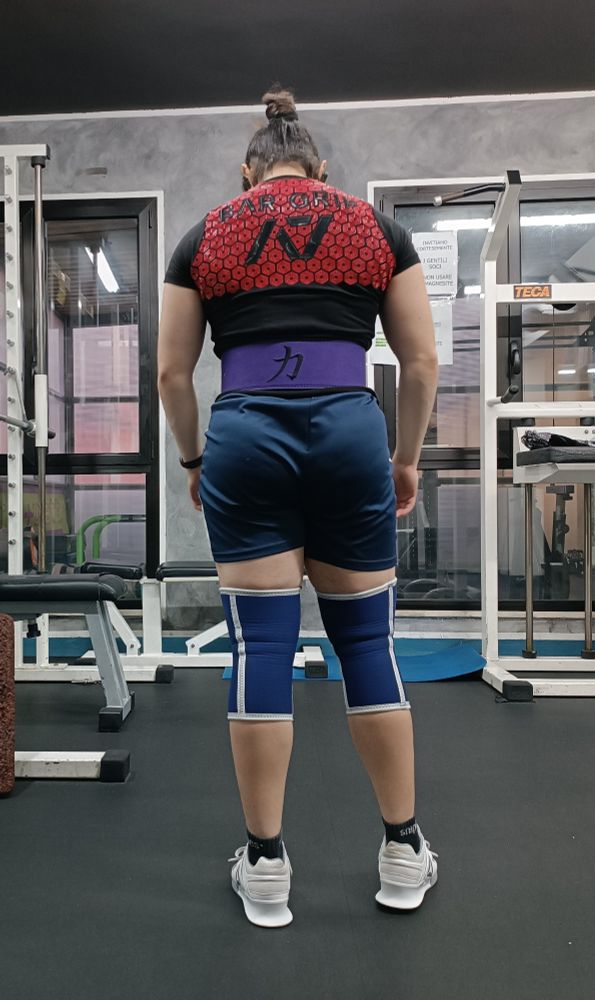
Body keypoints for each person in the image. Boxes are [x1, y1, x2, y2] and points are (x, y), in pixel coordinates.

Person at [158, 87, 439, 928]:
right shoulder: (373, 228)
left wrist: (194, 458)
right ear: (319, 168)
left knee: (261, 649)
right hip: (350, 437)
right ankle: (401, 848)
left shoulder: (205, 233)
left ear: (248, 173)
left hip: (246, 439)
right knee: (366, 643)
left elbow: (173, 375)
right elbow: (420, 363)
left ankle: (268, 865)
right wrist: (404, 459)